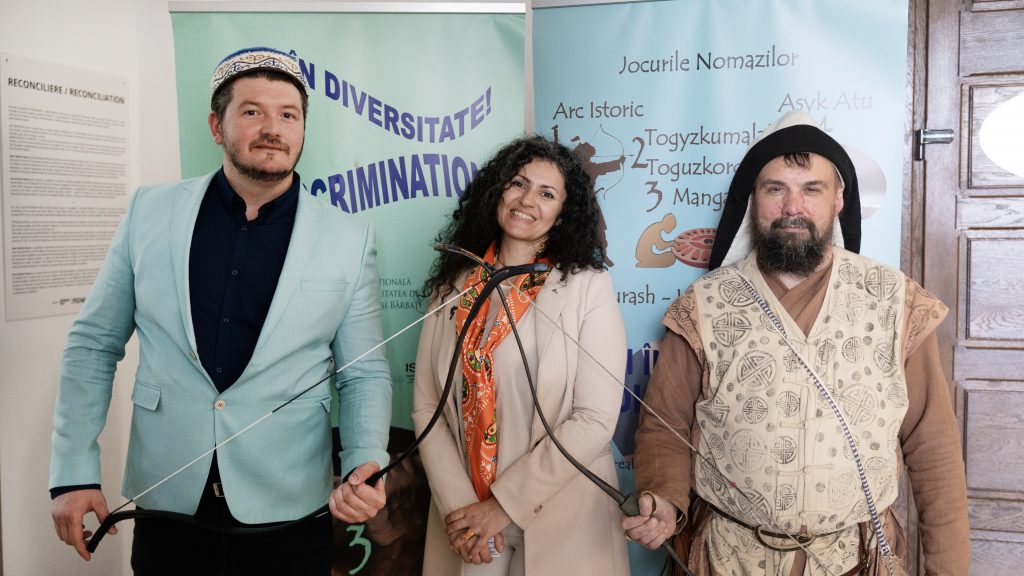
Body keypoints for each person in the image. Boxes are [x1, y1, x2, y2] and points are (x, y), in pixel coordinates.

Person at [49, 46, 392, 574]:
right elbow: (93, 344)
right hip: (168, 504)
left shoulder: (349, 237)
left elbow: (363, 372)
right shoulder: (149, 211)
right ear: (217, 126)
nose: (272, 128)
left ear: (303, 129)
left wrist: (364, 462)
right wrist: (73, 471)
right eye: (252, 111)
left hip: (289, 511)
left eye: (288, 115)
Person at [622, 112, 970, 575]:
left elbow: (934, 449)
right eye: (776, 189)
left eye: (812, 189)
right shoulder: (704, 305)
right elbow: (665, 425)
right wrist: (664, 498)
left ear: (839, 199)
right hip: (728, 559)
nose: (793, 206)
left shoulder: (895, 301)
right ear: (753, 199)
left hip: (856, 560)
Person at [413, 136, 629, 575]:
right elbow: (426, 408)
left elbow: (594, 419)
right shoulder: (451, 286)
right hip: (470, 525)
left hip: (565, 519)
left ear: (563, 212)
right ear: (497, 191)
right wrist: (463, 512)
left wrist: (502, 506)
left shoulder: (587, 287)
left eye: (546, 194)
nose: (527, 200)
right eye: (518, 183)